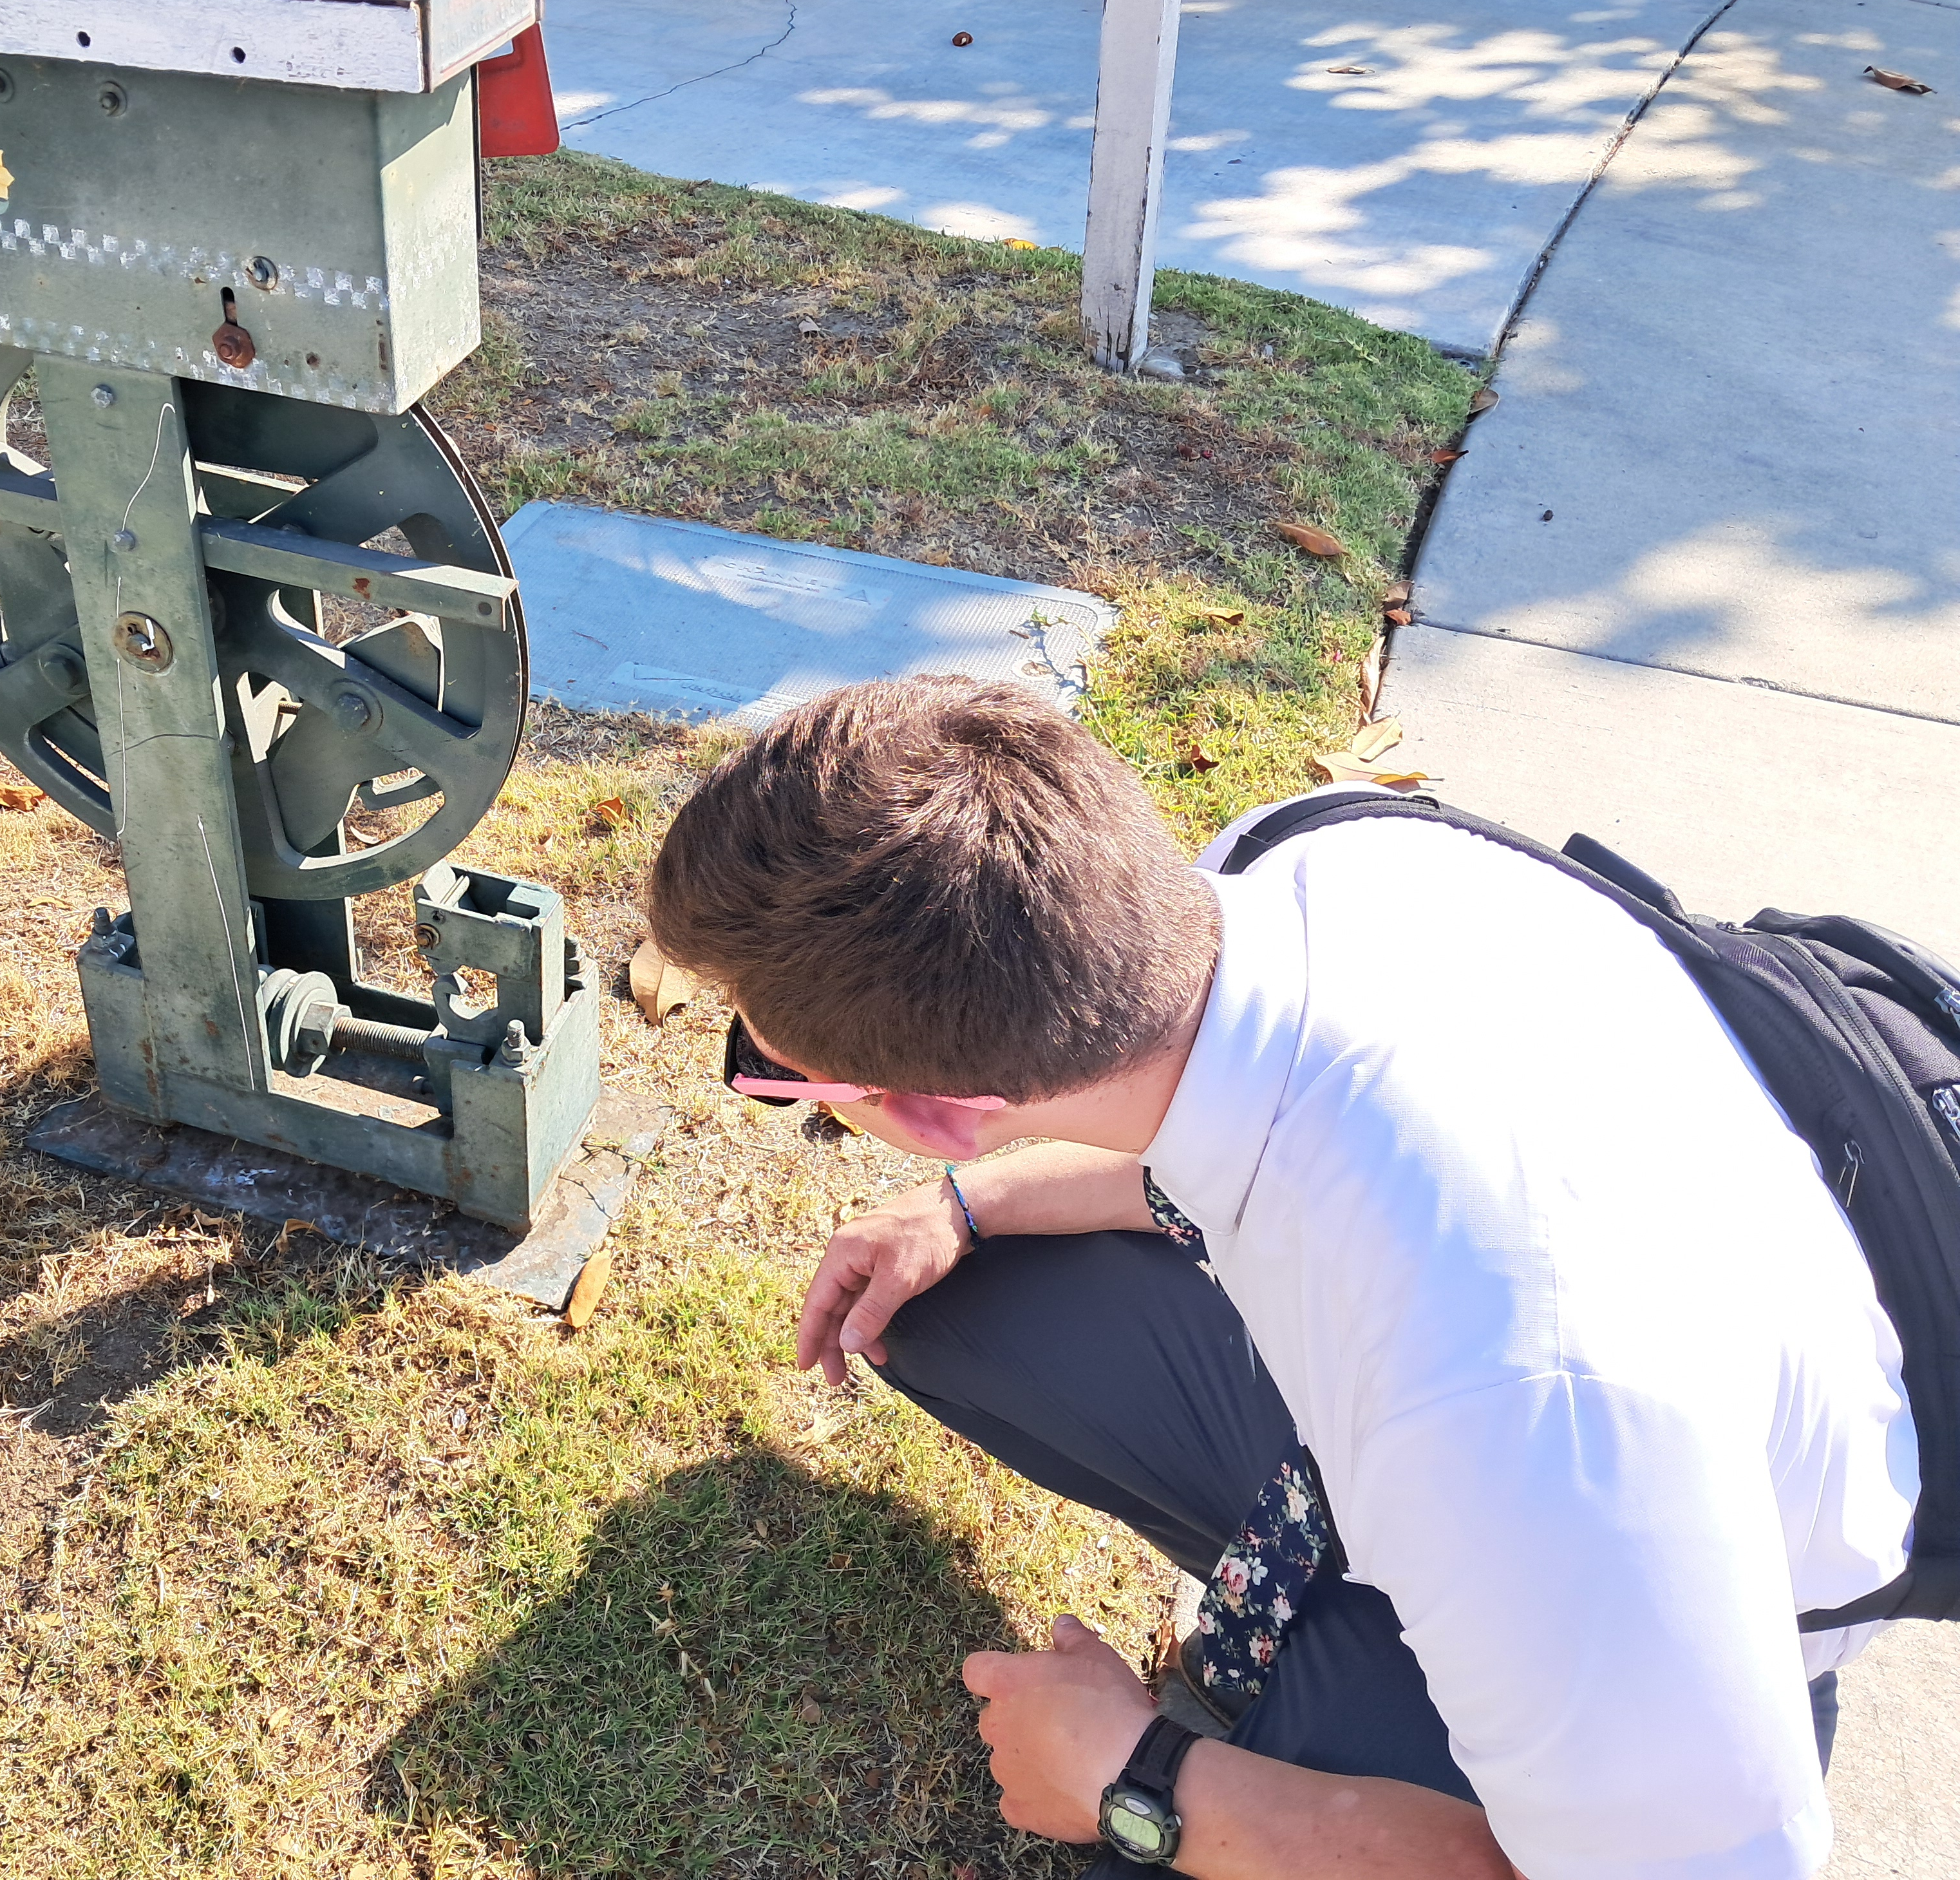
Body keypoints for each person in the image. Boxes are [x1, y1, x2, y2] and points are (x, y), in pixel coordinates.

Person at [643, 676, 1916, 1880]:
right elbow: (1216, 1147)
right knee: (957, 1314)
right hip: (1519, 1420)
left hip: (1650, 1617)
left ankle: (1378, 1696)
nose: (765, 1075)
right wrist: (966, 1209)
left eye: (778, 1068)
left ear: (933, 1112)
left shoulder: (1511, 1399)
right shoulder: (1312, 859)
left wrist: (1134, 1781)